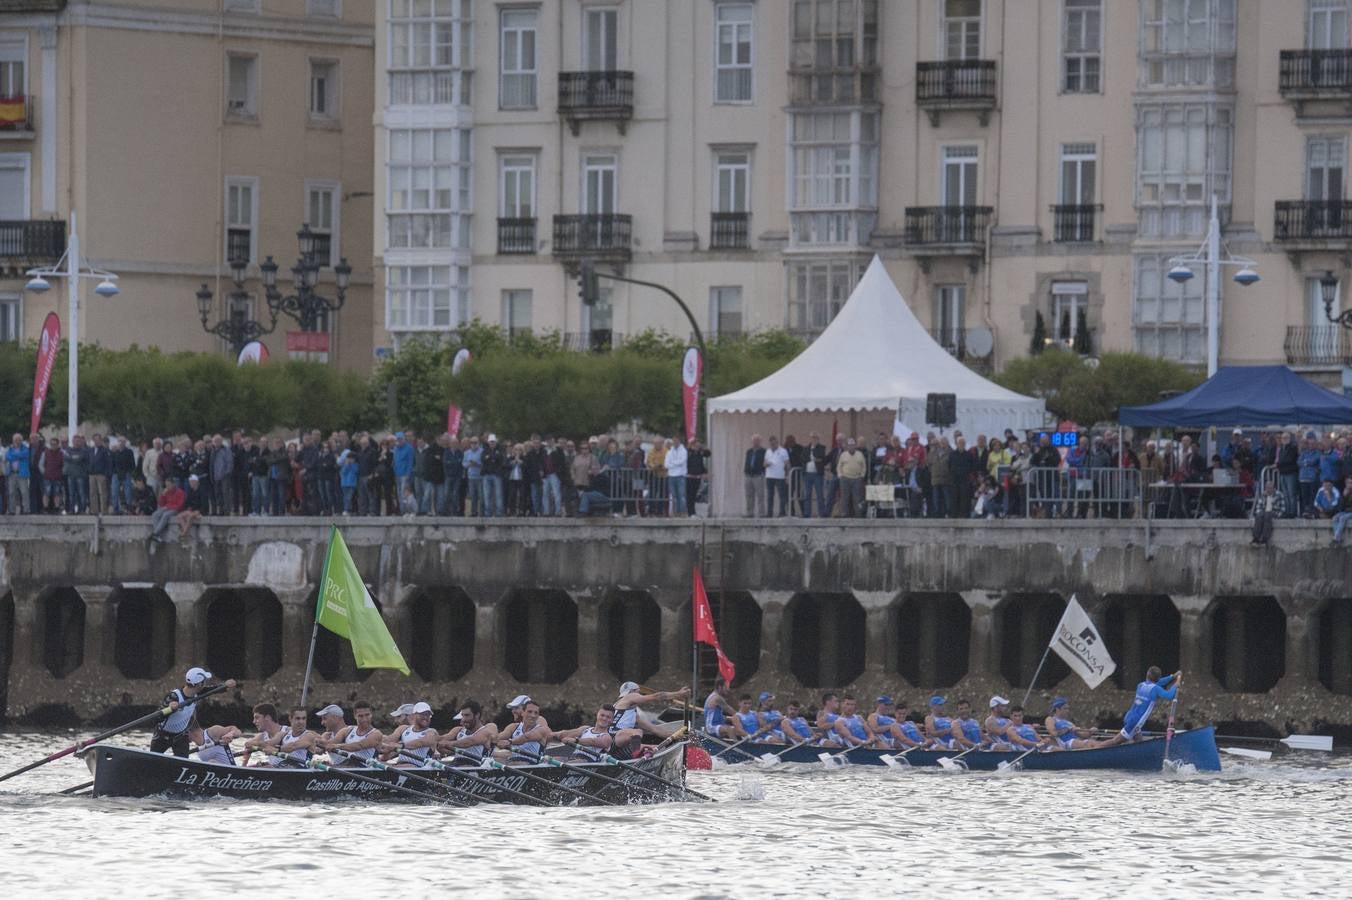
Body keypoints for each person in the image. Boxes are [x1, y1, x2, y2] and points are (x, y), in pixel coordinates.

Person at [150, 666, 235, 757]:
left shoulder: (198, 693)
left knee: (183, 762)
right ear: (199, 684)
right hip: (162, 736)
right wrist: (169, 710)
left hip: (180, 736)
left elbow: (213, 690)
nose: (205, 684)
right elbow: (155, 719)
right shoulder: (173, 696)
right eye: (204, 681)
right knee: (152, 760)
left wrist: (226, 685)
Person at [1098, 667, 1181, 747]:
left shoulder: (1141, 685)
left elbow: (1159, 682)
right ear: (1157, 678)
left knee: (1139, 742)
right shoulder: (1156, 689)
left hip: (1129, 716)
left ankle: (1139, 755)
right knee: (1115, 741)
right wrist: (1176, 684)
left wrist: (1172, 677)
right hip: (1136, 722)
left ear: (1147, 674)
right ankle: (1096, 749)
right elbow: (1169, 696)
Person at [612, 680, 691, 749]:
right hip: (615, 737)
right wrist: (679, 694)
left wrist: (677, 736)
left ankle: (637, 752)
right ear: (633, 691)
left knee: (641, 735)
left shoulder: (632, 716)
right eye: (638, 692)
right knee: (638, 732)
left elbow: (655, 730)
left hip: (613, 744)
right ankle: (637, 750)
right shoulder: (630, 696)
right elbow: (657, 696)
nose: (639, 695)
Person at [318, 701, 383, 767]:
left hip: (367, 770)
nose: (365, 719)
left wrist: (337, 746)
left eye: (367, 715)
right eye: (360, 716)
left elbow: (359, 745)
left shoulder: (376, 734)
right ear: (355, 716)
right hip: (349, 767)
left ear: (371, 714)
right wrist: (318, 740)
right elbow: (331, 743)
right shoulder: (347, 730)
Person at [437, 699, 496, 765]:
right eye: (463, 715)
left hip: (477, 768)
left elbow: (470, 741)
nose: (463, 719)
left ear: (477, 715)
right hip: (459, 765)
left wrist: (449, 743)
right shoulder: (458, 730)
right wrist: (438, 745)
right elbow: (442, 739)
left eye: (467, 715)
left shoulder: (485, 732)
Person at [496, 699, 551, 764]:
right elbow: (497, 738)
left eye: (536, 713)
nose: (533, 715)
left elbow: (526, 737)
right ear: (522, 712)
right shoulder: (513, 727)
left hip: (531, 766)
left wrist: (509, 742)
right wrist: (495, 741)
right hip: (514, 763)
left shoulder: (541, 728)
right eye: (529, 712)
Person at [1251, 478, 1285, 545]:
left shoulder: (1279, 494)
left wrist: (1279, 515)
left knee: (1268, 515)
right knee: (1259, 515)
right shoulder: (1263, 494)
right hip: (1264, 512)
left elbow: (1283, 509)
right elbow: (1258, 507)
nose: (1268, 489)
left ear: (1274, 488)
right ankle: (1256, 538)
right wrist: (1259, 512)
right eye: (1267, 488)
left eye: (1270, 488)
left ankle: (1265, 539)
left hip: (1274, 512)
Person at [764, 435, 789, 517]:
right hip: (769, 476)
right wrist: (767, 464)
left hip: (780, 476)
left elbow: (787, 463)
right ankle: (769, 513)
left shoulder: (783, 451)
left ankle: (782, 512)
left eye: (774, 443)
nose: (773, 445)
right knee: (770, 495)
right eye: (771, 444)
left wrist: (787, 474)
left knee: (782, 495)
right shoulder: (768, 451)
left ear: (777, 442)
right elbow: (764, 463)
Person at [743, 435, 766, 517]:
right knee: (749, 495)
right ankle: (750, 513)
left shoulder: (764, 451)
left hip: (758, 475)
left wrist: (762, 471)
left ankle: (761, 513)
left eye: (757, 440)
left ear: (760, 441)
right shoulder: (749, 451)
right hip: (748, 475)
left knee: (760, 495)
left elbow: (765, 463)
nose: (755, 442)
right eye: (754, 441)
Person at [1333, 476, 1352, 543]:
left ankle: (1336, 538)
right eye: (1348, 483)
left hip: (1350, 512)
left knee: (1342, 518)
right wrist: (1344, 496)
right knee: (1335, 518)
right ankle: (1337, 538)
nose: (1349, 484)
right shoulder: (1344, 491)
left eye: (1350, 483)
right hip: (1346, 511)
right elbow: (1340, 506)